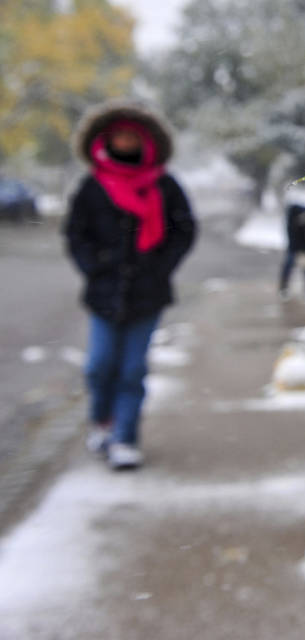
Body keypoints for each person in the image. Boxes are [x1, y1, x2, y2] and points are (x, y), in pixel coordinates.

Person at [64, 100, 196, 469]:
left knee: (133, 369)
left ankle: (125, 438)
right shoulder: (92, 187)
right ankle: (101, 421)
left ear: (144, 140)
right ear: (106, 139)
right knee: (99, 365)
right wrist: (95, 266)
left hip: (148, 294)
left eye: (130, 135)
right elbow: (75, 234)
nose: (124, 141)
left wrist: (160, 267)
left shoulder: (165, 186)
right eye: (118, 135)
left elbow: (184, 230)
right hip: (104, 294)